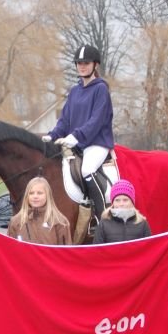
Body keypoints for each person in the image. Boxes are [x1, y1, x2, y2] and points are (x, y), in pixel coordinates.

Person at [7, 176, 72, 334]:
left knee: (48, 331)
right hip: (25, 286)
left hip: (50, 286)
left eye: (40, 193)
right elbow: (8, 254)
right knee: (27, 330)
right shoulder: (16, 222)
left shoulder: (60, 222)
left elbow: (67, 255)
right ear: (27, 196)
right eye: (32, 193)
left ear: (47, 195)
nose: (36, 197)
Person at [42, 44, 114, 223]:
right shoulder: (74, 91)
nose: (82, 66)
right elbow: (65, 120)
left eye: (86, 63)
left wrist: (76, 136)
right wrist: (53, 135)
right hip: (78, 144)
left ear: (95, 65)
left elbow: (97, 120)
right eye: (79, 63)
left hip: (97, 142)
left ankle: (101, 218)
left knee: (87, 170)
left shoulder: (101, 89)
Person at [92, 179, 151, 334]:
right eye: (118, 200)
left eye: (125, 199)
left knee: (132, 332)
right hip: (112, 287)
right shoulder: (104, 224)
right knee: (112, 332)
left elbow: (150, 250)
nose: (122, 203)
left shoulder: (142, 225)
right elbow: (97, 252)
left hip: (134, 288)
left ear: (132, 202)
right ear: (112, 202)